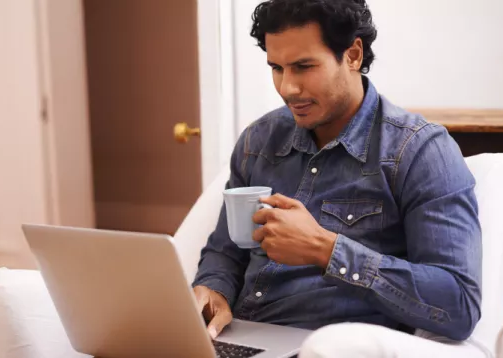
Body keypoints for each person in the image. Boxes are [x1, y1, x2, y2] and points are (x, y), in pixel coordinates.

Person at [192, 0, 484, 355]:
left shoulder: (419, 151)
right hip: (238, 341)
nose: (287, 88)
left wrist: (325, 249)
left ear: (353, 54)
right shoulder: (259, 141)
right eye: (276, 68)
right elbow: (225, 251)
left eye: (303, 67)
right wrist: (212, 291)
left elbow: (458, 305)